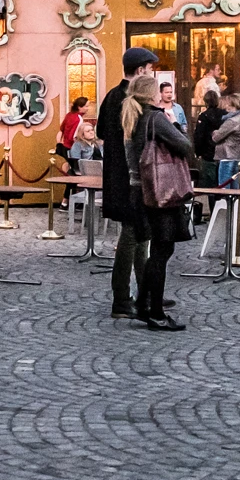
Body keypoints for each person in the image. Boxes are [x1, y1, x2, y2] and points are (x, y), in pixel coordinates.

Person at [123, 75, 194, 331]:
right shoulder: (155, 118)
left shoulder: (133, 117)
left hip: (141, 190)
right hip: (160, 191)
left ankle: (143, 304)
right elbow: (185, 146)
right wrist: (176, 124)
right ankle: (155, 312)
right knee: (162, 252)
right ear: (152, 94)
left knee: (158, 251)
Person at [102, 47, 159, 320]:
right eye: (149, 69)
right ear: (140, 71)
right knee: (131, 237)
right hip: (131, 179)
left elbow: (102, 131)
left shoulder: (111, 95)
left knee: (140, 236)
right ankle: (122, 298)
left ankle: (144, 293)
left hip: (116, 175)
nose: (152, 74)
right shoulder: (131, 98)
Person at [211, 93, 240, 187]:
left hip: (227, 156)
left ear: (233, 105)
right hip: (235, 154)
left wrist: (215, 132)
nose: (226, 106)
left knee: (224, 186)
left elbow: (216, 137)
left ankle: (226, 202)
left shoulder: (231, 121)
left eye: (228, 104)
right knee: (234, 187)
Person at [192, 89, 224, 186]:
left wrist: (198, 152)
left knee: (208, 183)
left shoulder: (203, 116)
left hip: (208, 154)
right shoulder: (224, 115)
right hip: (223, 153)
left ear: (205, 101)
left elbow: (199, 136)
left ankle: (211, 201)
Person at [59, 95, 91, 175]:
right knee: (77, 171)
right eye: (86, 106)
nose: (88, 108)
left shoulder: (69, 115)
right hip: (72, 147)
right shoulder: (79, 118)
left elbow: (61, 130)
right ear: (79, 107)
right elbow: (74, 136)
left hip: (65, 146)